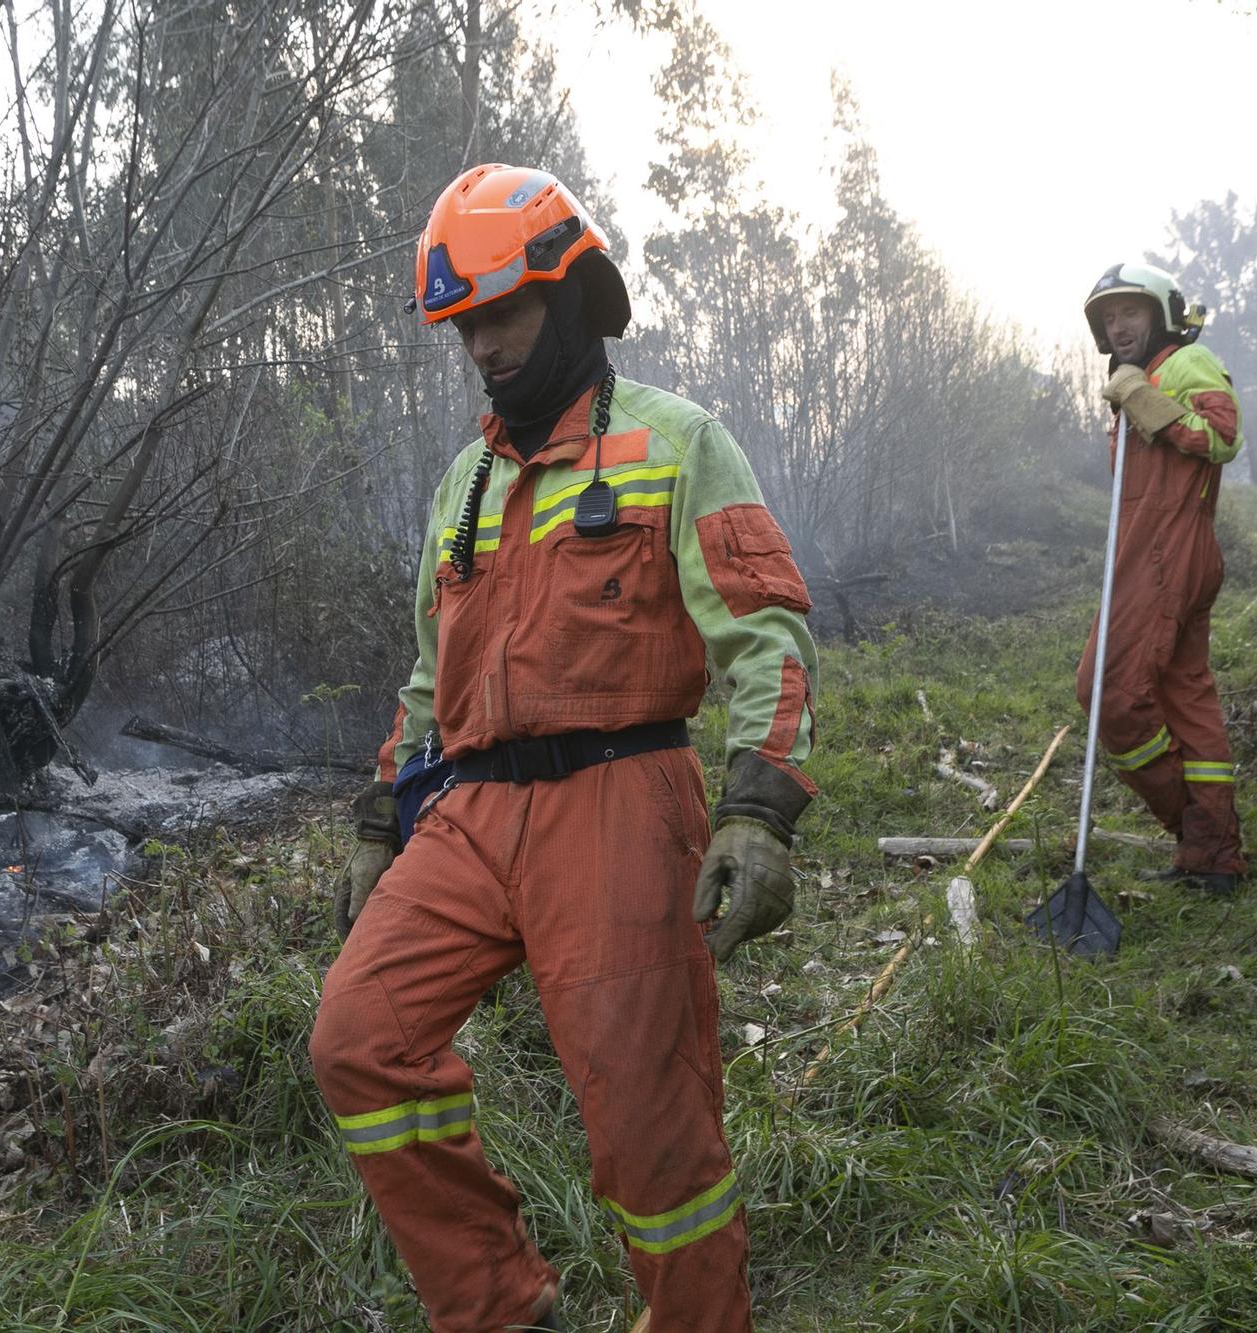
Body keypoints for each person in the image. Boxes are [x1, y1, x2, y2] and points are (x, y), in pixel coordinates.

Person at [308, 163, 819, 1333]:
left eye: (502, 314)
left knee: (649, 1132)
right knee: (360, 1039)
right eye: (464, 326)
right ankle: (499, 1309)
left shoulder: (675, 442)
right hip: (471, 814)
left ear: (575, 292)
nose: (482, 347)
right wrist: (378, 818)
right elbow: (423, 675)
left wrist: (757, 810)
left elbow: (765, 633)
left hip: (619, 801)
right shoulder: (464, 482)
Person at [1081, 261, 1247, 894]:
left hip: (1165, 557)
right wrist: (1133, 391)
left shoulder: (1179, 366)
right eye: (1110, 317)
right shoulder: (1140, 377)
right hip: (1166, 554)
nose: (1120, 326)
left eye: (1132, 312)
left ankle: (1198, 834)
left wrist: (1142, 398)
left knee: (1109, 693)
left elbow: (1222, 435)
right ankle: (1214, 857)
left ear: (1162, 314)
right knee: (1185, 699)